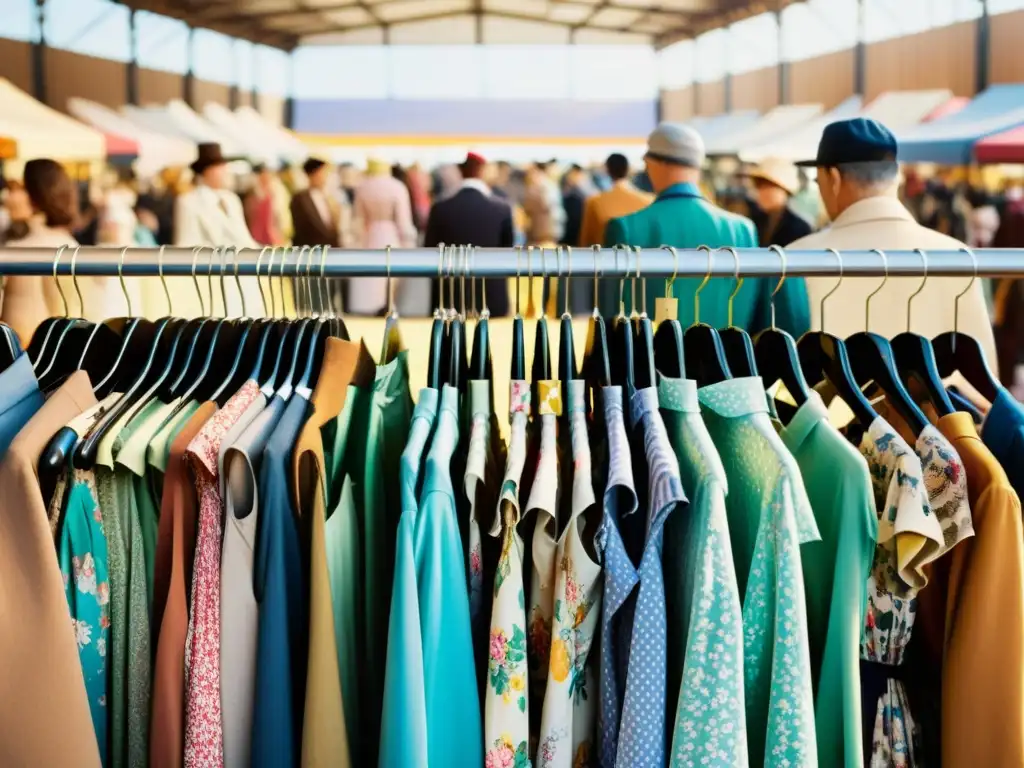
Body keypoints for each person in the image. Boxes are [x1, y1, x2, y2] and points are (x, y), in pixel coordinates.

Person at [789, 117, 995, 365]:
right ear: (895, 177)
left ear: (833, 177)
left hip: (828, 403)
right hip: (939, 404)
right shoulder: (955, 256)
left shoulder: (798, 259)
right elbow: (984, 375)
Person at [603, 123, 809, 334]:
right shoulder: (743, 229)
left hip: (650, 364)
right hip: (730, 364)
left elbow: (613, 324)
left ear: (652, 163)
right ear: (698, 166)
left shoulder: (625, 228)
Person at [1, 159, 119, 344]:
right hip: (70, 362)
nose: (7, 196)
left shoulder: (16, 255)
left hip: (24, 365)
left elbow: (14, 334)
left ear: (36, 196)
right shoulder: (75, 250)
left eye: (19, 188)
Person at [174, 143, 264, 318]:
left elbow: (245, 238)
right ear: (208, 170)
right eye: (221, 167)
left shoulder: (231, 200)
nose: (225, 172)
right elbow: (186, 244)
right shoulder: (189, 201)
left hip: (244, 280)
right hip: (213, 284)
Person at [424, 152, 515, 317]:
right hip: (491, 299)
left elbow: (429, 250)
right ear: (482, 171)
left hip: (449, 298)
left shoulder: (440, 208)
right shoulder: (502, 209)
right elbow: (507, 253)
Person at [352, 157, 418, 315]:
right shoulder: (397, 187)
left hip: (370, 235)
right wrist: (410, 243)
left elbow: (358, 219)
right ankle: (390, 310)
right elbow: (404, 221)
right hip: (392, 235)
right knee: (391, 279)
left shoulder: (362, 187)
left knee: (373, 282)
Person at [579, 153, 653, 247]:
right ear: (628, 169)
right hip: (640, 259)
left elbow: (586, 243)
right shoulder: (648, 201)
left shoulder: (594, 203)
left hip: (605, 259)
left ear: (607, 170)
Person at [744, 158, 814, 246]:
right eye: (759, 187)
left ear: (785, 190)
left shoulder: (800, 228)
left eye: (768, 187)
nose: (762, 193)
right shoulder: (753, 222)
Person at [291, 158, 341, 249]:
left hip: (331, 251)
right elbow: (301, 230)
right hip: (310, 252)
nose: (326, 177)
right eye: (323, 173)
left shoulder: (328, 197)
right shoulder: (300, 198)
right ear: (314, 174)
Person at [523, 160, 565, 245]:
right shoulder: (548, 183)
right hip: (545, 227)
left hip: (545, 228)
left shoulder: (542, 184)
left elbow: (546, 203)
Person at [244, 163, 285, 246]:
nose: (266, 177)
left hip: (272, 234)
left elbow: (276, 217)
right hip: (257, 234)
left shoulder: (275, 191)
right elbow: (249, 215)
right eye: (263, 174)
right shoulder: (253, 193)